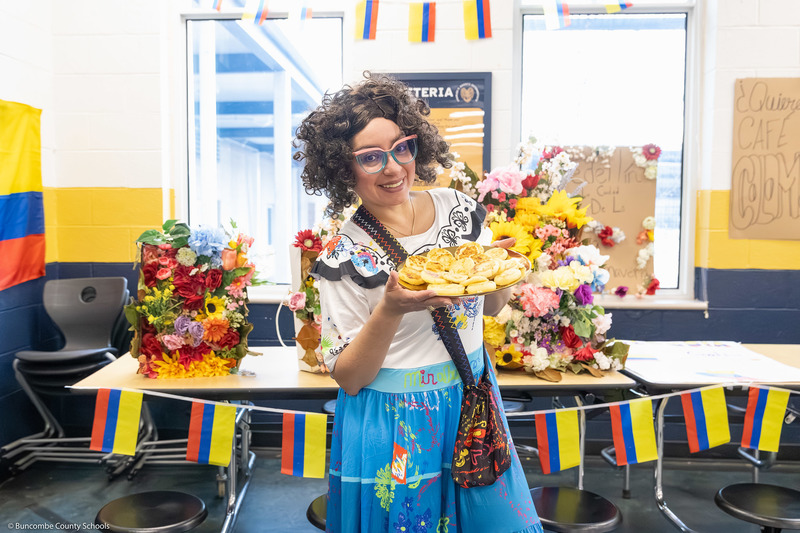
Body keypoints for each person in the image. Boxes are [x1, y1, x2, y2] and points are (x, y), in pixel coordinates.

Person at [294, 72, 542, 533]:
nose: (393, 168)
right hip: (397, 421)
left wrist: (496, 269)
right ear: (343, 168)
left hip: (471, 397)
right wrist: (390, 310)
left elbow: (490, 308)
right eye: (371, 157)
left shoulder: (457, 211)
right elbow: (349, 377)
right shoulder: (343, 256)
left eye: (401, 148)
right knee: (411, 521)